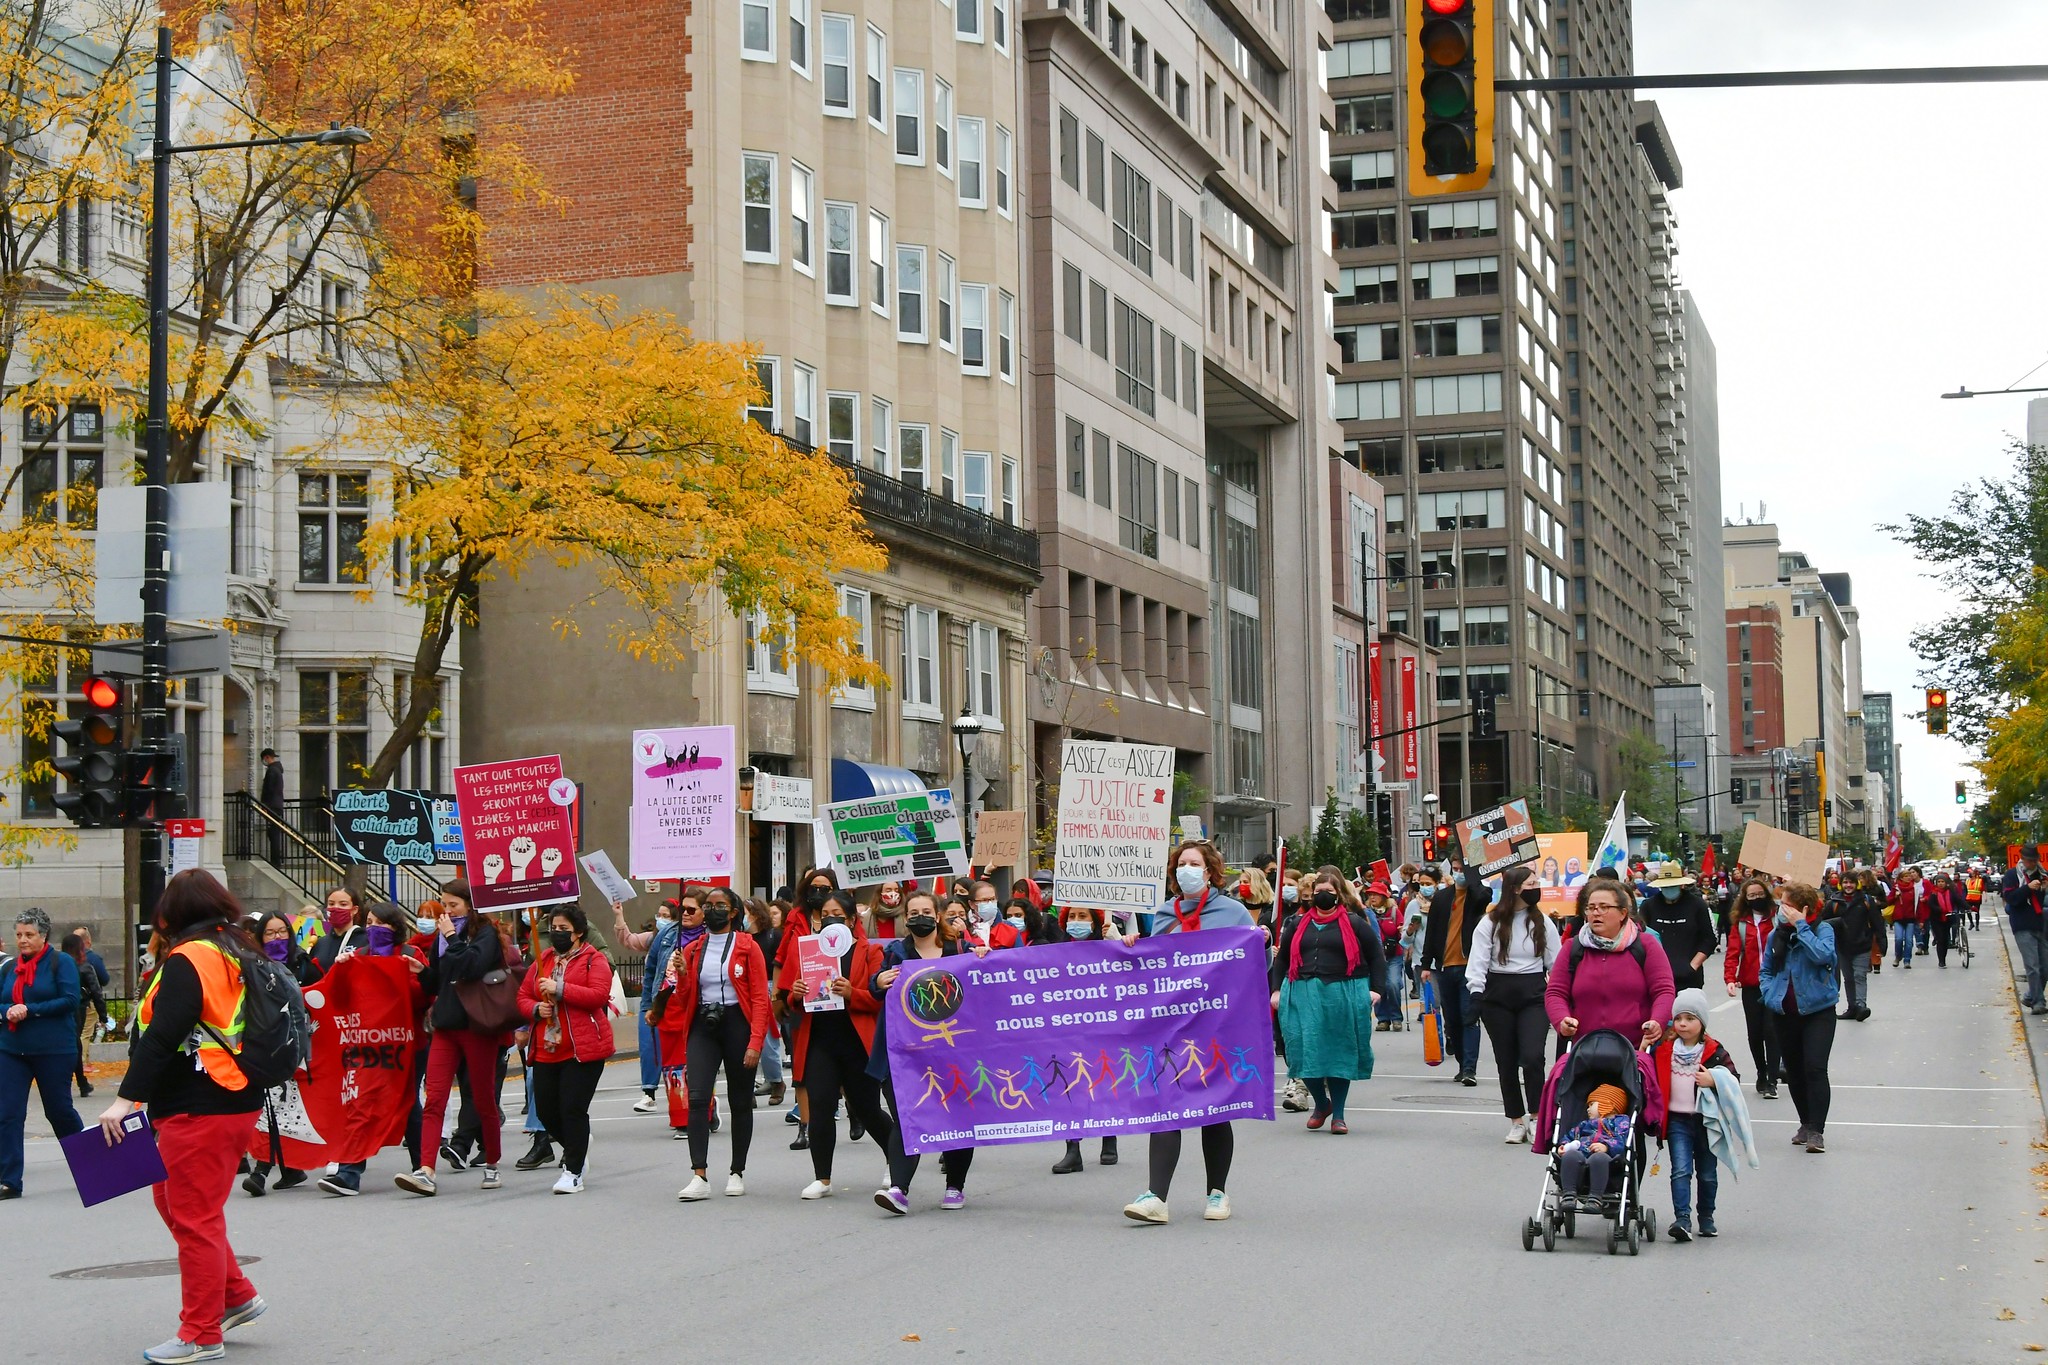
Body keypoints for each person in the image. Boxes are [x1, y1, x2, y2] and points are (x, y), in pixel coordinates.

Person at [98, 871, 268, 1363]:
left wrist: (125, 1099)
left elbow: (161, 1035)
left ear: (173, 913)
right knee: (177, 1204)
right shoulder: (232, 948)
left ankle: (201, 1333)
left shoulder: (190, 957)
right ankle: (235, 1295)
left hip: (200, 1104)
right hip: (225, 1097)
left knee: (194, 1218)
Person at [1122, 839, 1255, 1225]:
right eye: (1182, 863)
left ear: (1210, 870)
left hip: (1216, 1025)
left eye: (1194, 863)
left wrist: (1260, 944)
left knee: (1213, 1109)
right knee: (1166, 1104)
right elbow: (1154, 964)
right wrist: (1133, 946)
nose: (1187, 869)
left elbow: (1255, 966)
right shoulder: (1165, 914)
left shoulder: (1233, 912)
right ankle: (1156, 1197)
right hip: (1172, 1025)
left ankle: (1217, 1192)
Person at [774, 890, 894, 1202]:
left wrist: (852, 992)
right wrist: (795, 994)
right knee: (820, 1106)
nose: (830, 920)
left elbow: (878, 999)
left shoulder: (869, 953)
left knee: (867, 1108)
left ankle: (897, 1159)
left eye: (838, 915)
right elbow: (790, 1000)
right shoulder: (809, 952)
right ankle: (822, 1177)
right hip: (820, 1041)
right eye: (825, 914)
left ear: (852, 920)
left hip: (856, 1042)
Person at [396, 880, 512, 1196]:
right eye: (444, 905)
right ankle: (426, 1170)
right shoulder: (442, 938)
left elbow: (471, 966)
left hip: (477, 1026)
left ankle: (492, 1163)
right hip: (446, 1025)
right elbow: (438, 982)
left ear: (470, 906)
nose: (446, 912)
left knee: (483, 1098)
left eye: (453, 906)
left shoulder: (484, 933)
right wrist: (423, 970)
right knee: (434, 1098)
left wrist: (450, 936)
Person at [871, 889, 984, 1209]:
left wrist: (983, 956)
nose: (919, 917)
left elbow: (987, 975)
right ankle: (898, 1189)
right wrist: (879, 982)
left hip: (953, 1052)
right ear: (905, 919)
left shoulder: (959, 950)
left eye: (925, 911)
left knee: (958, 1115)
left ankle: (954, 1186)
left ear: (937, 916)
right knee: (907, 1118)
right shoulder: (896, 952)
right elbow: (875, 985)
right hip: (905, 1056)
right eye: (912, 913)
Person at [662, 886, 769, 1200]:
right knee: (696, 1098)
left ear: (733, 911)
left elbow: (761, 999)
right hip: (703, 1026)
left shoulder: (748, 947)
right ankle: (699, 1174)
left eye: (719, 905)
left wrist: (755, 1042)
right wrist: (682, 975)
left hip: (737, 1024)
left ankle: (737, 1171)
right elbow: (684, 999)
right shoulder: (694, 949)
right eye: (707, 905)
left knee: (739, 1101)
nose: (711, 910)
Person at [318, 903, 431, 1196]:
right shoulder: (359, 957)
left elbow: (424, 997)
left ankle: (423, 1167)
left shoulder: (410, 955)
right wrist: (342, 971)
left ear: (395, 927)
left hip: (407, 1044)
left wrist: (403, 976)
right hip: (367, 1045)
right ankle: (349, 1173)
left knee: (407, 1103)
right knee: (361, 1102)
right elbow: (341, 998)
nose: (373, 928)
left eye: (380, 922)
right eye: (369, 922)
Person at [1271, 868, 1385, 1135]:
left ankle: (1339, 1116)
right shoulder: (1297, 925)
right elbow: (1283, 959)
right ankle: (1322, 1104)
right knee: (1300, 1050)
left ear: (1339, 896)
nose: (1322, 897)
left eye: (1329, 893)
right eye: (1318, 893)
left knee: (1338, 1053)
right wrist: (1276, 990)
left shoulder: (1356, 923)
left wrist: (1376, 989)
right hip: (1301, 992)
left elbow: (1377, 956)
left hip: (1342, 993)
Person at [516, 905, 615, 1194]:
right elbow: (523, 995)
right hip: (547, 1047)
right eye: (554, 929)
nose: (557, 934)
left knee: (572, 1109)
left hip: (582, 1050)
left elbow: (598, 995)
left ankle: (573, 1171)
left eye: (564, 930)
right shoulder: (543, 958)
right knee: (547, 1111)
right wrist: (536, 1008)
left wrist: (560, 989)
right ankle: (577, 1144)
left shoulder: (592, 960)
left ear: (579, 933)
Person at [1469, 865, 1561, 1143]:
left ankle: (1536, 1115)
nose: (1536, 888)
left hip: (1533, 994)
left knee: (1533, 1057)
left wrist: (1561, 997)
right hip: (1498, 996)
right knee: (1506, 1061)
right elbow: (1478, 961)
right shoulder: (1490, 923)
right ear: (1515, 889)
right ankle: (1516, 1120)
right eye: (1531, 884)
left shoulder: (1543, 922)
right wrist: (1475, 993)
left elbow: (1555, 964)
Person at [0, 908, 85, 1199]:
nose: (22, 940)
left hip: (54, 1050)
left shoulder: (61, 963)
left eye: (29, 935)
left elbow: (70, 1000)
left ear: (43, 935)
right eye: (19, 935)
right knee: (8, 1113)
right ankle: (9, 1181)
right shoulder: (9, 969)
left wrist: (30, 1010)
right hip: (12, 1050)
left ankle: (92, 1166)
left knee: (59, 1111)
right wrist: (7, 1010)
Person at [238, 912, 324, 1197]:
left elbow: (320, 995)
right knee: (273, 1107)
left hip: (296, 1044)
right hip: (265, 1044)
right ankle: (289, 1169)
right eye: (270, 933)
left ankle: (261, 1171)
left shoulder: (303, 964)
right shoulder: (252, 966)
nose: (277, 938)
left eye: (282, 932)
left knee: (277, 1107)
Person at [1546, 879, 1675, 1052]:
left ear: (1623, 913)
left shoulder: (1646, 945)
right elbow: (1555, 992)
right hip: (1584, 1050)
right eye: (1591, 908)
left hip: (1636, 1050)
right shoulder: (1573, 947)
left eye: (1604, 907)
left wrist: (1657, 1022)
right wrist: (1562, 1020)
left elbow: (1664, 990)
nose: (1596, 913)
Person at [1653, 988, 1739, 1241]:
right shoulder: (1665, 1050)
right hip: (1677, 1121)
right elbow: (1648, 1073)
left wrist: (1713, 1079)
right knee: (1680, 1170)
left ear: (1702, 1023)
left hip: (1706, 1121)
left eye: (1690, 1019)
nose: (1682, 1024)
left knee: (1707, 1172)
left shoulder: (1714, 1051)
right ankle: (1682, 1218)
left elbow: (1733, 1079)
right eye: (1679, 1018)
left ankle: (1706, 1217)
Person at [1761, 882, 1838, 1154]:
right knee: (1793, 1071)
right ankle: (1805, 1123)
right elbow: (1766, 969)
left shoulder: (1822, 929)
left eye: (1786, 905)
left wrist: (1803, 927)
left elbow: (1824, 956)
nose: (1781, 910)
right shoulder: (1776, 935)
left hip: (1818, 1011)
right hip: (1785, 1012)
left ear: (1802, 908)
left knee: (1814, 1068)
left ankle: (1817, 1130)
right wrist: (1770, 994)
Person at [1046, 904, 1119, 1174]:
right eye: (1072, 917)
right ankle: (1072, 1150)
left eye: (1083, 916)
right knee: (1070, 1085)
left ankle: (1109, 1136)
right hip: (1068, 1029)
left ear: (1095, 920)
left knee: (1102, 1079)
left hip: (1102, 1027)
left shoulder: (1109, 947)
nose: (1076, 921)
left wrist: (1117, 942)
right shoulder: (1055, 950)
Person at [1420, 859, 1495, 1087]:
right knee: (1452, 1021)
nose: (1459, 873)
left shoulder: (1477, 895)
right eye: (1457, 869)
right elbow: (1432, 931)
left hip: (1470, 968)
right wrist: (1426, 964)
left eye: (1464, 869)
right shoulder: (1442, 898)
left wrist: (1473, 878)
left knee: (1469, 1017)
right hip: (1445, 968)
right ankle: (1463, 1065)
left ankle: (1470, 1068)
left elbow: (1484, 896)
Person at [612, 894, 687, 1116]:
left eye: (666, 916)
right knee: (649, 1047)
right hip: (654, 1000)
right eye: (659, 915)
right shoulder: (656, 937)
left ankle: (691, 1099)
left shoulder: (683, 937)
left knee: (678, 1053)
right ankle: (649, 1093)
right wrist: (619, 916)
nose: (661, 919)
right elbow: (629, 940)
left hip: (676, 1002)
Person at [1722, 876, 1782, 1097]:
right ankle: (1761, 1072)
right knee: (1755, 1033)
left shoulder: (1778, 917)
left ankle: (1772, 1079)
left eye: (1760, 894)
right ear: (1745, 899)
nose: (1756, 898)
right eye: (1751, 896)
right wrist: (1730, 978)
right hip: (1750, 984)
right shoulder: (1740, 923)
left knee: (1772, 1031)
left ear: (1766, 894)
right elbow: (1733, 953)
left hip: (1775, 983)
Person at [1638, 861, 1718, 991]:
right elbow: (1641, 937)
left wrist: (1693, 966)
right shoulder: (1649, 906)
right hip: (1657, 977)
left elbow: (1709, 939)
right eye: (1666, 886)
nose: (1669, 889)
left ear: (1682, 884)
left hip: (1690, 978)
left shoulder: (1697, 905)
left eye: (1673, 885)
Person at [745, 897, 787, 1105]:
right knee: (746, 1040)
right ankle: (747, 1088)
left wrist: (777, 993)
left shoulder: (773, 935)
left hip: (769, 987)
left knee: (768, 1041)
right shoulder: (742, 939)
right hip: (747, 988)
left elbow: (781, 964)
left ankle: (776, 1080)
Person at [1557, 1083, 1630, 1198]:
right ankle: (1568, 1193)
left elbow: (1622, 1140)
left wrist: (1606, 1146)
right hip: (1581, 1156)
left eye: (1592, 1104)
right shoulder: (1584, 1124)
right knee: (1570, 1155)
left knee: (1599, 1158)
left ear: (1607, 1104)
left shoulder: (1620, 1122)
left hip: (1607, 1160)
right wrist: (1564, 1146)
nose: (1588, 1109)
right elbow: (1571, 1135)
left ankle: (1595, 1196)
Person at [1830, 870, 1885, 1020]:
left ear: (1857, 884)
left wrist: (1882, 941)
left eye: (1851, 882)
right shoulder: (1834, 902)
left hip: (1862, 945)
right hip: (1842, 946)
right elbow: (1822, 923)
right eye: (1845, 882)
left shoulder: (1866, 900)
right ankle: (1852, 1007)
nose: (1849, 885)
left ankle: (1861, 1006)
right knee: (1848, 978)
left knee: (1859, 975)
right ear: (1841, 885)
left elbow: (1877, 922)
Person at [2003, 848, 2047, 1016]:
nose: (2033, 864)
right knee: (2032, 966)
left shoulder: (2042, 874)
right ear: (2023, 859)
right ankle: (2038, 1002)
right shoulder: (2013, 875)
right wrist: (2027, 888)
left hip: (2039, 923)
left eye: (2035, 860)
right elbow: (2011, 898)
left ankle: (2030, 995)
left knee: (2045, 966)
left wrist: (2044, 888)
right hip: (2021, 924)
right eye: (2030, 861)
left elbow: (2042, 900)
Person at [60, 930, 103, 1097]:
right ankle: (80, 1081)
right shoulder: (84, 966)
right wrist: (103, 1014)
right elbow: (97, 990)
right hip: (78, 1007)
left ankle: (76, 1081)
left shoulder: (58, 965)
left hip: (62, 1008)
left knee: (70, 1043)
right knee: (75, 1044)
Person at [307, 887, 364, 974]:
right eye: (331, 904)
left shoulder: (366, 940)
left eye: (343, 904)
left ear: (354, 910)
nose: (336, 908)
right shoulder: (319, 943)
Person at [1889, 868, 1926, 968]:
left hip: (1910, 918)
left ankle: (1907, 960)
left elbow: (1918, 906)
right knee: (1899, 939)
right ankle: (1898, 956)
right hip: (1898, 918)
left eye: (1909, 876)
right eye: (1906, 876)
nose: (1908, 878)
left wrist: (1921, 920)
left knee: (1909, 941)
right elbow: (1888, 901)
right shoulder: (1896, 888)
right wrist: (1895, 896)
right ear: (1901, 878)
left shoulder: (1914, 889)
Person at [1926, 870, 1961, 968]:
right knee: (1940, 940)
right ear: (1936, 883)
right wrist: (1940, 910)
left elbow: (1958, 901)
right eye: (1939, 882)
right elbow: (1931, 905)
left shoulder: (1950, 892)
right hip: (1936, 919)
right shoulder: (1933, 893)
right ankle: (1941, 961)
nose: (1941, 884)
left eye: (1942, 882)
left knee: (1945, 940)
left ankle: (1943, 958)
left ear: (1946, 883)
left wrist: (1968, 907)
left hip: (1948, 919)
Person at [259, 748, 286, 865]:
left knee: (273, 833)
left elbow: (269, 790)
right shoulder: (277, 770)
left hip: (272, 805)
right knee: (274, 832)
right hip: (277, 804)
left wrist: (264, 804)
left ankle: (276, 861)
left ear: (267, 757)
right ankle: (276, 859)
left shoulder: (272, 771)